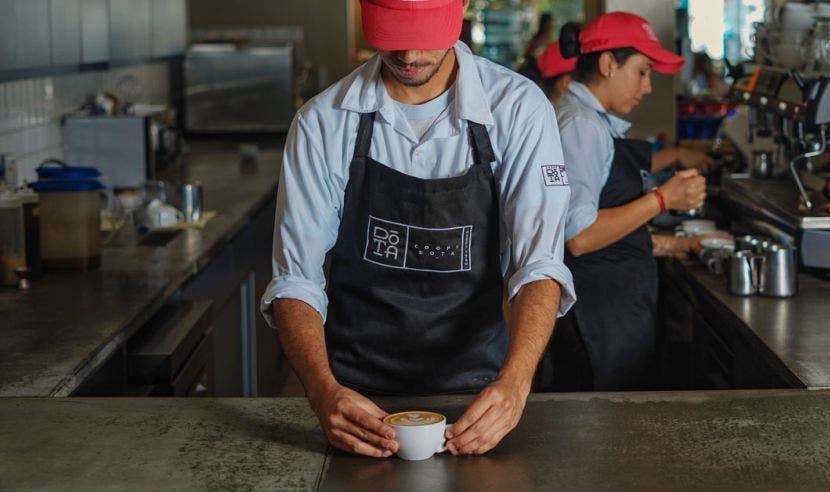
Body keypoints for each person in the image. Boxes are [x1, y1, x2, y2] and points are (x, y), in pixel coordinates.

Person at [262, 0, 575, 458]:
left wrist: (515, 383)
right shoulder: (323, 121)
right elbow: (296, 278)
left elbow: (539, 265)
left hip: (477, 392)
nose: (408, 55)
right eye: (391, 32)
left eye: (425, 32)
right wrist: (321, 389)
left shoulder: (518, 109)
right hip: (356, 396)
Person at [547, 12, 728, 391]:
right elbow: (579, 236)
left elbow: (607, 223)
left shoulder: (590, 121)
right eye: (643, 71)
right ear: (608, 63)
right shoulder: (581, 127)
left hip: (607, 311)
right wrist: (663, 199)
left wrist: (673, 245)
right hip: (597, 316)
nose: (647, 87)